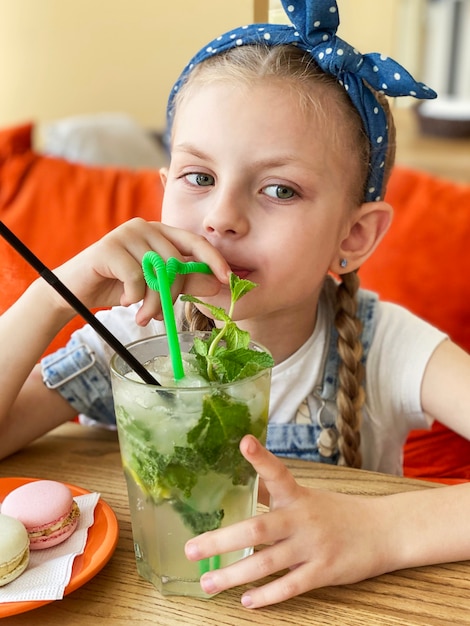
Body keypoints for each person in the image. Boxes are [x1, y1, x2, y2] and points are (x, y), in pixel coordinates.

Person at [1, 0, 470, 608]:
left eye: (280, 189)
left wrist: (380, 531)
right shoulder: (130, 337)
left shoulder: (389, 347)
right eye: (200, 177)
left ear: (353, 237)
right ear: (164, 190)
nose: (222, 218)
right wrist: (55, 296)